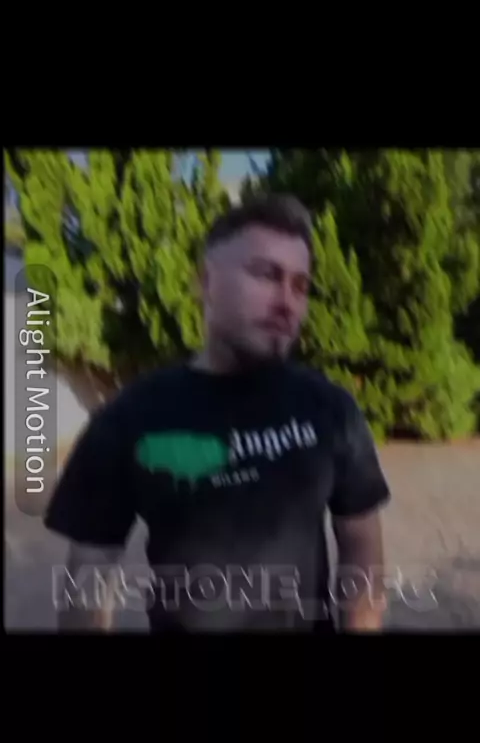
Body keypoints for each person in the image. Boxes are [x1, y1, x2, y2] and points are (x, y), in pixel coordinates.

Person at [44, 193, 391, 633]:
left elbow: (361, 542)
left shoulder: (331, 408)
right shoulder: (129, 420)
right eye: (267, 275)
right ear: (205, 282)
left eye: (301, 286)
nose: (287, 302)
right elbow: (89, 573)